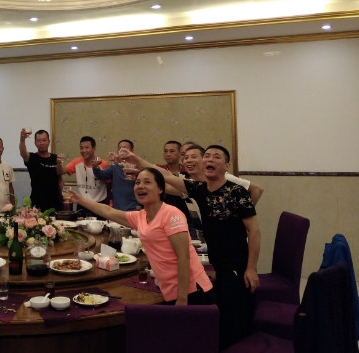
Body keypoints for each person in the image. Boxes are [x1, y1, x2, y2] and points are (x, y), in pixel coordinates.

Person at [122, 145, 261, 348]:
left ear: (226, 166)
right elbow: (165, 176)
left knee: (235, 315)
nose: (209, 159)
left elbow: (254, 232)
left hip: (236, 262)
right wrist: (136, 160)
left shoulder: (237, 191)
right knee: (221, 313)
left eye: (216, 157)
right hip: (216, 259)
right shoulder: (199, 189)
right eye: (207, 156)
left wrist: (251, 268)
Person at [68, 167, 214, 305]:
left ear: (160, 189)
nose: (140, 186)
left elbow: (184, 257)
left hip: (192, 290)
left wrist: (182, 299)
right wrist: (81, 200)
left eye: (147, 182)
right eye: (137, 182)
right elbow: (109, 212)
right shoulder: (141, 216)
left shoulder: (171, 214)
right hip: (170, 290)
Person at [57, 136, 109, 212]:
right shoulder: (76, 162)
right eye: (81, 148)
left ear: (94, 149)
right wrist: (58, 163)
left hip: (99, 204)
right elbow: (60, 172)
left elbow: (109, 184)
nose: (84, 150)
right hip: (82, 204)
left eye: (87, 148)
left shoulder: (103, 164)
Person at [19, 128, 63, 212]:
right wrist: (22, 140)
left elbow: (60, 179)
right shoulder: (32, 158)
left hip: (55, 203)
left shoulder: (55, 158)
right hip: (37, 204)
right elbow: (23, 153)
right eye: (38, 140)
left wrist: (61, 196)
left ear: (49, 142)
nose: (42, 143)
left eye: (44, 140)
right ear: (35, 143)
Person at [92, 139, 141, 211]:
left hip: (135, 209)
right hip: (118, 209)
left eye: (124, 149)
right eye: (119, 148)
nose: (121, 151)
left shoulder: (138, 167)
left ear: (132, 151)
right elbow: (101, 175)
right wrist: (95, 166)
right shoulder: (115, 166)